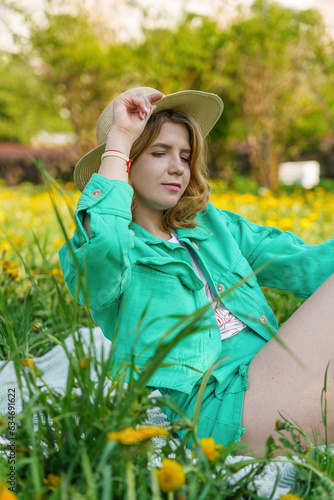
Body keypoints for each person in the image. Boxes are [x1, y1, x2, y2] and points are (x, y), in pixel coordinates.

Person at [59, 86, 334, 454]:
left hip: (272, 374)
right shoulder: (111, 248)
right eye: (159, 153)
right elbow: (106, 246)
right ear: (127, 162)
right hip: (221, 409)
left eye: (185, 156)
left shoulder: (209, 226)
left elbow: (305, 264)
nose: (177, 167)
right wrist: (120, 140)